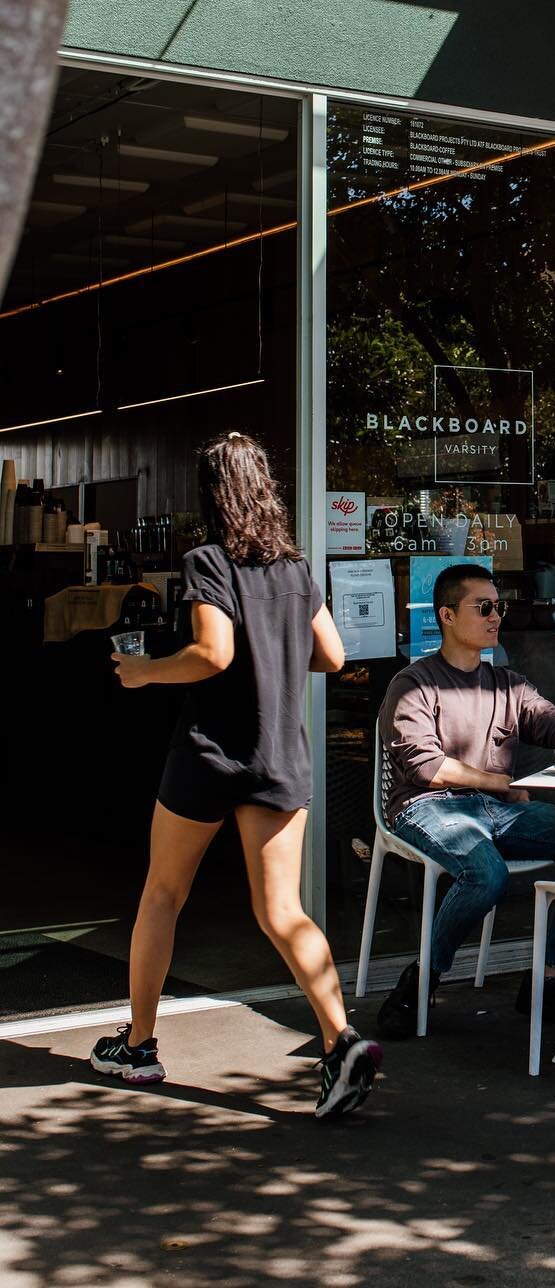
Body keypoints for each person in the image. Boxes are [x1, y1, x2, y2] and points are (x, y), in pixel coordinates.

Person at [93, 433, 381, 1119]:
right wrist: (277, 654)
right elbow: (333, 655)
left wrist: (145, 672)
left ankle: (138, 1047)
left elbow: (211, 653)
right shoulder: (295, 570)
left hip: (211, 753)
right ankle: (341, 1041)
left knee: (163, 894)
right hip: (279, 752)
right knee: (282, 910)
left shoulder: (206, 561)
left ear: (210, 494)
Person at [376, 562, 555, 1038]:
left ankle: (548, 979)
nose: (495, 617)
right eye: (482, 607)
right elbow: (426, 767)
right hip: (426, 806)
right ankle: (422, 979)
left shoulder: (507, 683)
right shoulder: (415, 684)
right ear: (447, 615)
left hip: (496, 812)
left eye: (499, 607)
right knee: (485, 875)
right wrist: (498, 784)